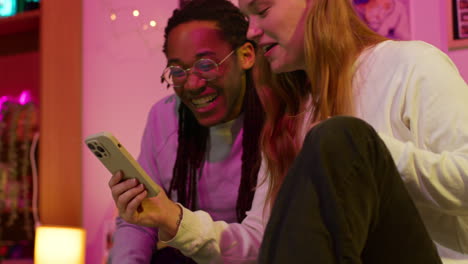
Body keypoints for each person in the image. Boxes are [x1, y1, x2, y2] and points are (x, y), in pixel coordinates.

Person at [239, 0, 468, 263]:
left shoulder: (411, 63)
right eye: (247, 19)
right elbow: (262, 238)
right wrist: (183, 226)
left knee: (339, 136)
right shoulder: (289, 115)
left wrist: (370, 155)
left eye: (262, 11)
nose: (251, 32)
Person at [108, 0, 268, 263]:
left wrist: (174, 219)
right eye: (178, 71)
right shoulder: (164, 118)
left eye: (206, 65)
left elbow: (267, 239)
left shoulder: (277, 116)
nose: (192, 84)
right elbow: (139, 222)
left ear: (246, 55)